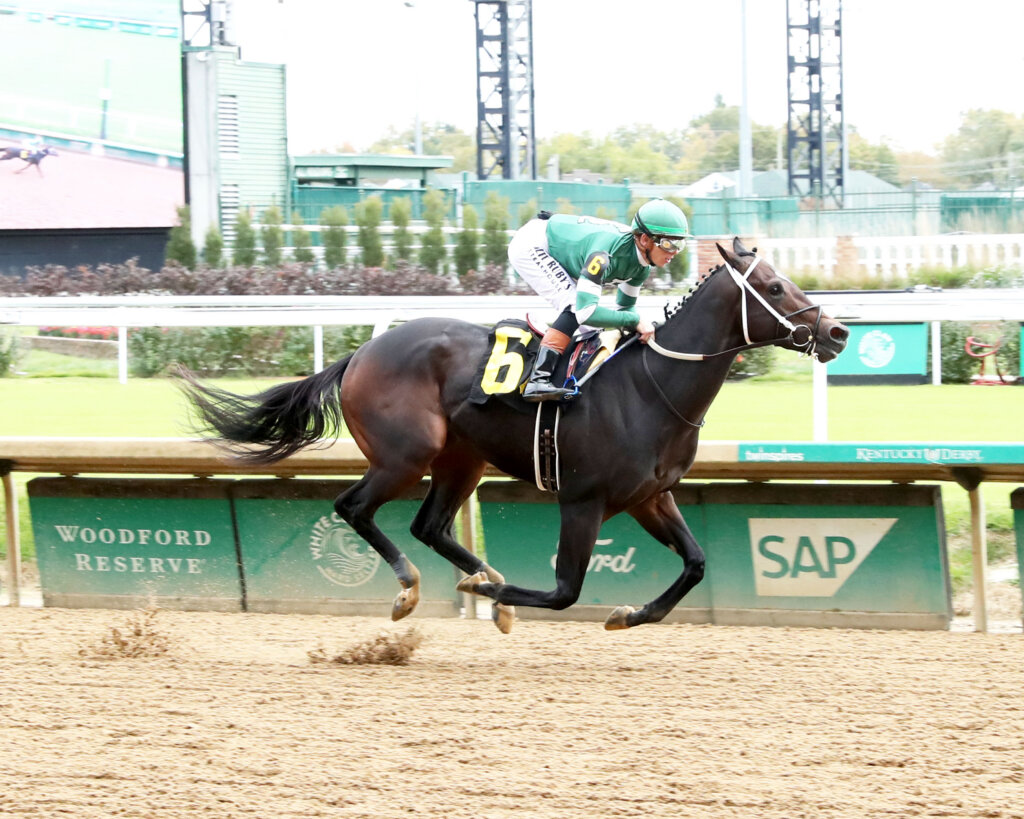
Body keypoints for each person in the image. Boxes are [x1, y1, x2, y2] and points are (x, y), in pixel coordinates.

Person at [507, 198, 690, 402]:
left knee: (592, 330)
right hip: (532, 244)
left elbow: (624, 309)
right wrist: (635, 321)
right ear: (645, 240)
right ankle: (538, 380)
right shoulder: (605, 255)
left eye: (679, 243)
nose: (674, 252)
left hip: (556, 239)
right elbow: (586, 313)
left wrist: (634, 324)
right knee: (575, 307)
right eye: (668, 243)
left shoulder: (642, 268)